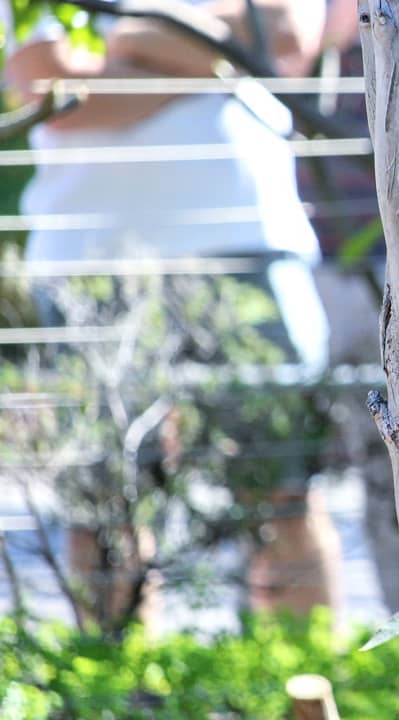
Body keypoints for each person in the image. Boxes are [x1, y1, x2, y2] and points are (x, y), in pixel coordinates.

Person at [5, 0, 344, 622]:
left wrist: (122, 42)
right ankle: (122, 698)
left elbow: (287, 35)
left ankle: (308, 687)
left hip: (251, 246)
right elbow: (53, 90)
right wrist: (216, 47)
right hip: (89, 263)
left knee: (285, 494)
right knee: (104, 510)